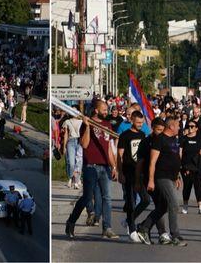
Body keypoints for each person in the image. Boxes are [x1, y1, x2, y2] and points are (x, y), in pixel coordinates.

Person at [65, 100, 118, 239]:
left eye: (107, 109)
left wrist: (114, 166)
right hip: (90, 167)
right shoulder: (86, 123)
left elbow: (109, 149)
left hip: (105, 167)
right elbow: (84, 144)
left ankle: (107, 228)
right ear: (96, 110)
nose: (106, 112)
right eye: (104, 109)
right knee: (87, 197)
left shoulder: (107, 125)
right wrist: (87, 127)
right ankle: (71, 221)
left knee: (107, 198)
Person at [135, 117, 186, 246]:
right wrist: (151, 180)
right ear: (171, 127)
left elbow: (174, 159)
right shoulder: (159, 139)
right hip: (161, 177)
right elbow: (152, 162)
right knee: (174, 204)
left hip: (171, 177)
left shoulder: (173, 140)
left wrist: (177, 177)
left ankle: (144, 227)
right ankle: (175, 235)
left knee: (163, 206)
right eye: (178, 125)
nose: (179, 128)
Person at [134, 117, 171, 244]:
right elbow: (140, 162)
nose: (160, 132)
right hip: (149, 178)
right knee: (162, 205)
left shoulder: (164, 141)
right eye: (158, 130)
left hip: (162, 177)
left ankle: (150, 229)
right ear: (152, 128)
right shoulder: (146, 142)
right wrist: (139, 181)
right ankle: (148, 229)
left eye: (162, 130)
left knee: (162, 205)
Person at [116, 111, 146, 241]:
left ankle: (129, 220)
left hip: (140, 172)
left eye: (142, 122)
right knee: (130, 201)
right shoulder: (125, 135)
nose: (140, 125)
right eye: (138, 122)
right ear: (132, 120)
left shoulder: (142, 134)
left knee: (146, 200)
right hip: (128, 171)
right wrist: (120, 172)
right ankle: (132, 229)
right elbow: (120, 156)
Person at [180, 120, 201, 214]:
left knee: (198, 186)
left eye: (192, 126)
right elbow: (180, 152)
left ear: (196, 128)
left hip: (199, 166)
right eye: (188, 126)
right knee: (187, 186)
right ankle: (185, 205)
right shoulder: (183, 139)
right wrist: (181, 165)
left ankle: (200, 206)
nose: (190, 128)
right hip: (186, 166)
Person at [62, 113, 83, 188]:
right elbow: (66, 134)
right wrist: (64, 146)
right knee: (71, 163)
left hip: (79, 142)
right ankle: (70, 177)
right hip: (70, 141)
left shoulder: (81, 121)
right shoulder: (67, 121)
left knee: (79, 162)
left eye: (76, 110)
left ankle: (77, 181)